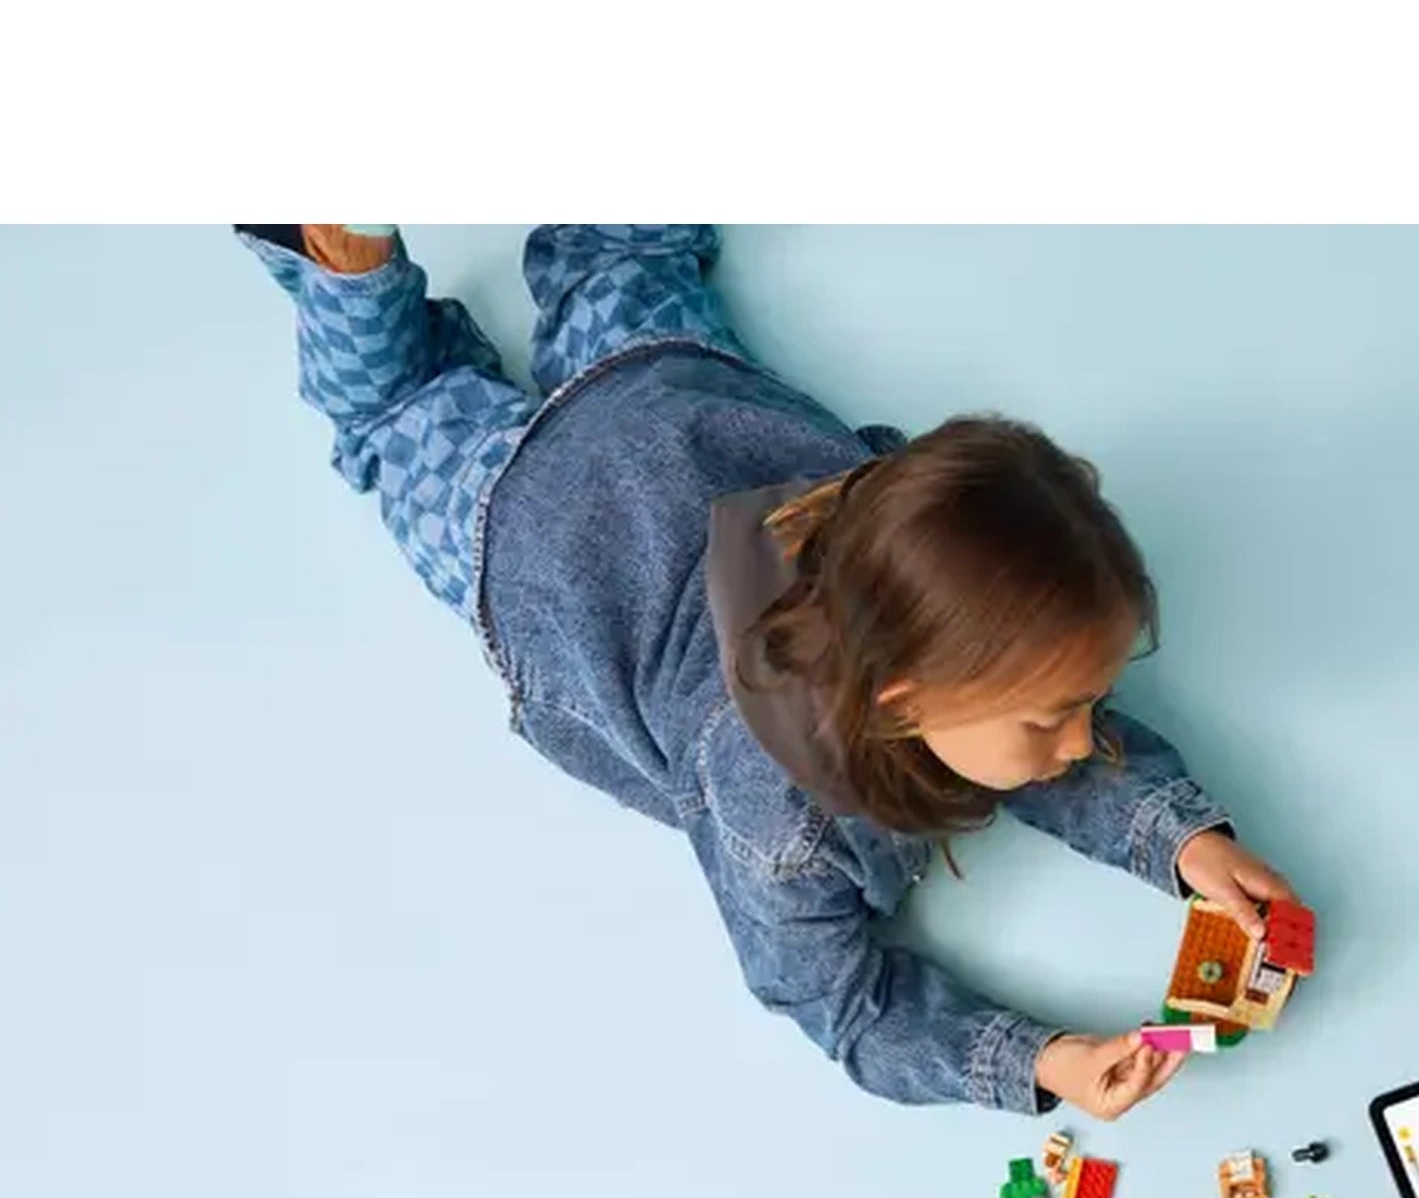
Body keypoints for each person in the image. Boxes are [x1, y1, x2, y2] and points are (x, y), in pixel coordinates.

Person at [236, 222, 1300, 1118]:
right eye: (1055, 719)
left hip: (667, 404)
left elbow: (1029, 742)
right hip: (524, 522)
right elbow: (839, 1001)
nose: (1081, 742)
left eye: (1083, 707)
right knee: (393, 408)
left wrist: (1184, 842)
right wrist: (1037, 1061)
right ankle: (347, 267)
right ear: (902, 699)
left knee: (624, 251)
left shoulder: (927, 589)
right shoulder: (774, 819)